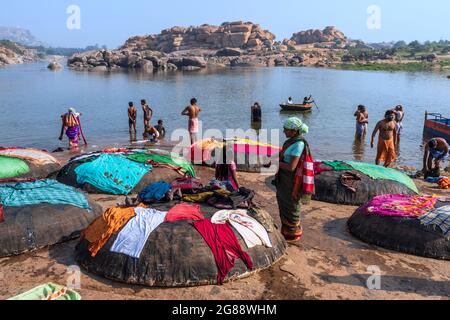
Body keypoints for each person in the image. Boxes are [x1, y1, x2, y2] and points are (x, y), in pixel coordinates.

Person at [274, 117, 312, 242]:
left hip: (291, 180)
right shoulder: (291, 141)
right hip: (284, 180)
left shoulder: (299, 144)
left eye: (286, 130)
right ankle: (286, 232)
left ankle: (293, 235)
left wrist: (274, 163)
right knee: (284, 203)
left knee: (291, 205)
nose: (284, 132)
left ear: (294, 131)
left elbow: (291, 167)